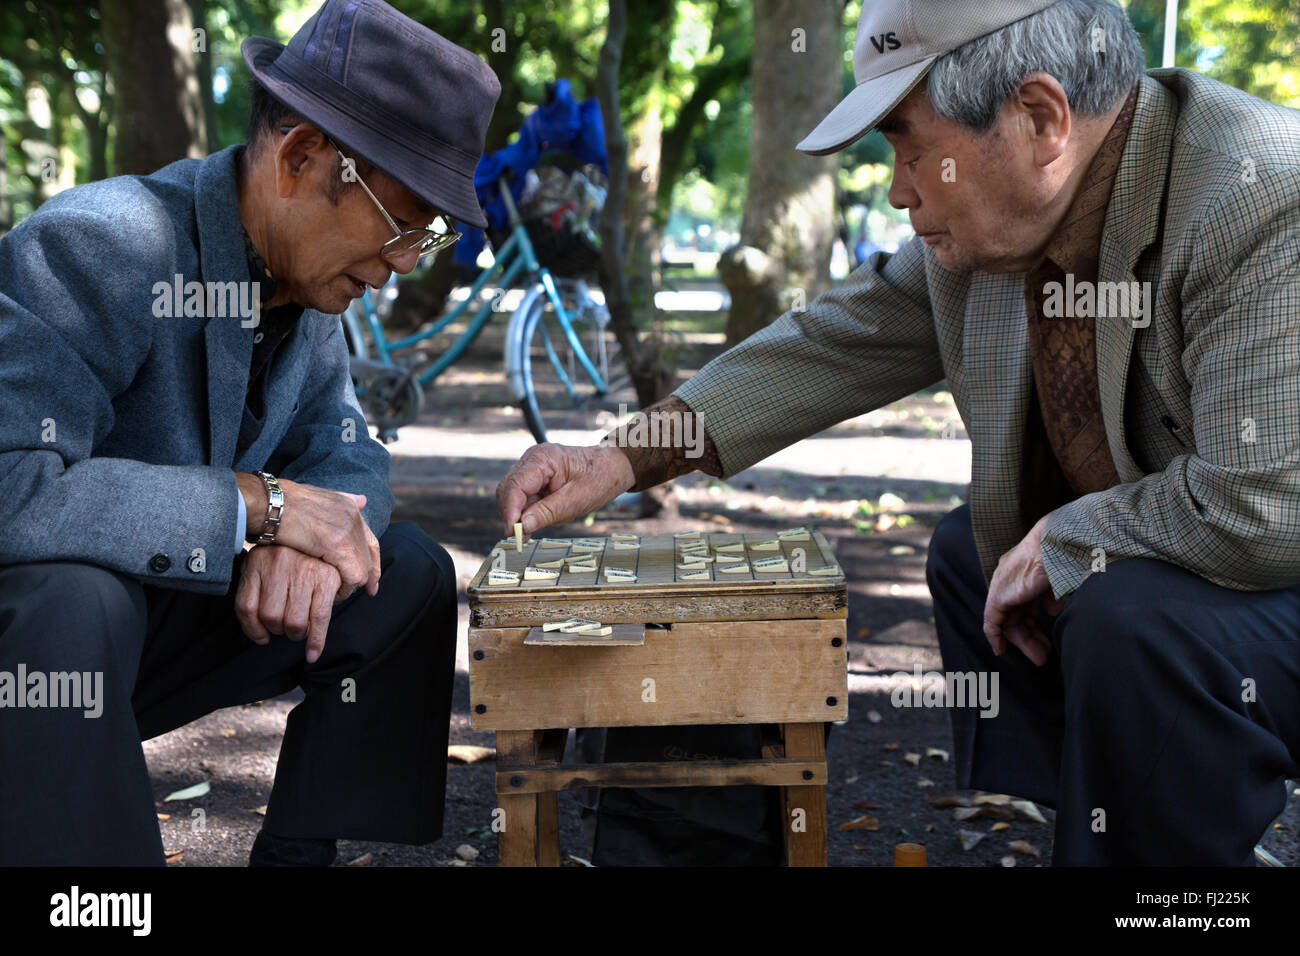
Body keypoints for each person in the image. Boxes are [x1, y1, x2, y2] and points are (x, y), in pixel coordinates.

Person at [497, 0, 1300, 865]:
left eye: (912, 148)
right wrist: (621, 456)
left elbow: (1266, 503)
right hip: (1219, 575)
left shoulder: (1257, 193)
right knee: (976, 552)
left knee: (1119, 610)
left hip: (1273, 560)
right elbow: (832, 342)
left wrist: (1074, 533)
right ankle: (1114, 830)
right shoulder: (1003, 225)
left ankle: (1184, 890)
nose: (897, 189)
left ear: (1039, 118)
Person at [0, 0, 499, 865]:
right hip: (42, 660)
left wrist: (306, 539)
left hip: (142, 633)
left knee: (406, 570)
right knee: (72, 599)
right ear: (300, 157)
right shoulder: (101, 245)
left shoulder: (305, 284)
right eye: (402, 220)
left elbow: (348, 451)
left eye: (432, 232)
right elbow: (10, 483)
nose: (410, 260)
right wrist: (253, 509)